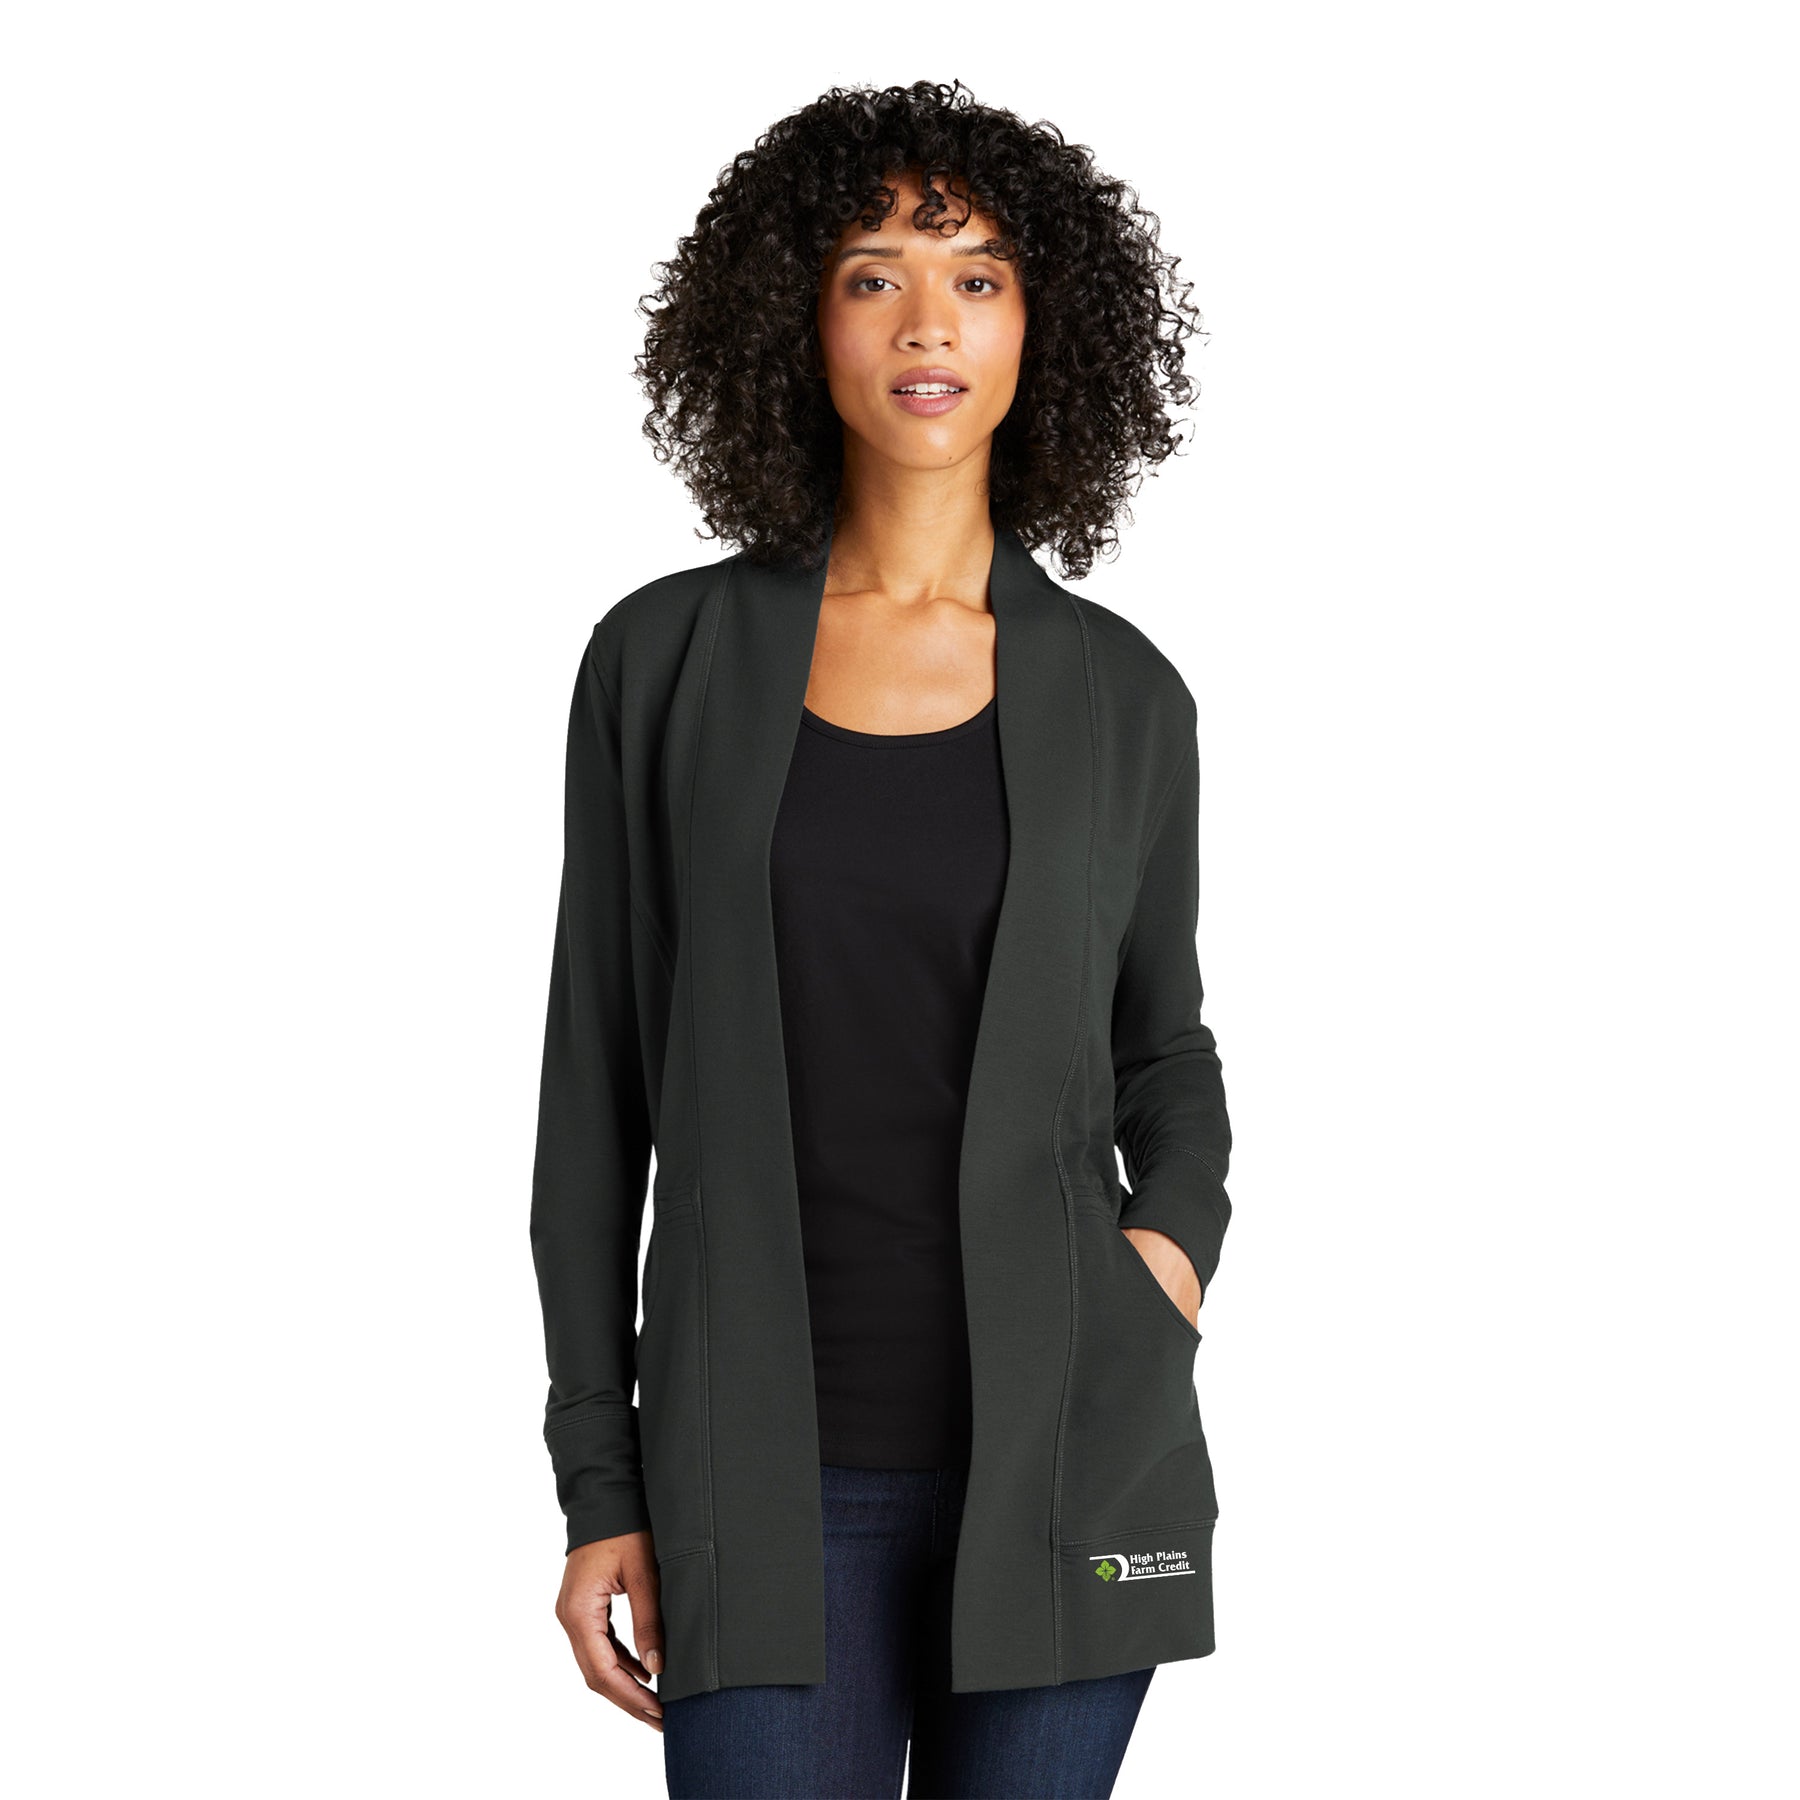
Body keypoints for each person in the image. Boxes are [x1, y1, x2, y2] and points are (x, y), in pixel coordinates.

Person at [530, 79, 1234, 1799]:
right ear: (797, 317)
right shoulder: (665, 664)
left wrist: (1169, 1258)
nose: (931, 322)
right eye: (874, 275)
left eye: (980, 277)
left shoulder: (1124, 696)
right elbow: (593, 1095)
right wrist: (601, 1482)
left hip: (1073, 1457)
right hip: (759, 1477)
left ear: (1043, 327)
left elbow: (1165, 1047)